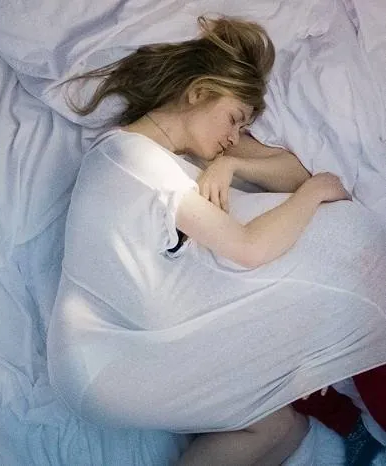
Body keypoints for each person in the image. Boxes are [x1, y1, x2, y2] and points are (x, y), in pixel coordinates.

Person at [47, 15, 386, 465]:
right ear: (199, 91)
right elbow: (249, 248)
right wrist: (317, 191)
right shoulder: (131, 158)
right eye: (233, 119)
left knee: (278, 427)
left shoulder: (171, 161)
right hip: (111, 356)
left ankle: (347, 430)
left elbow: (289, 173)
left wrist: (234, 164)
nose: (233, 136)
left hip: (118, 356)